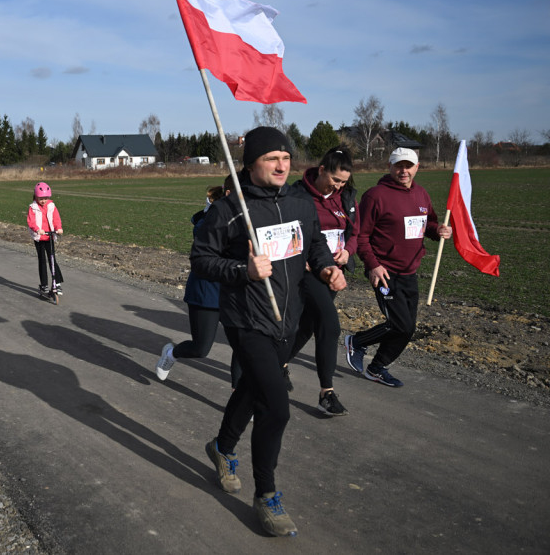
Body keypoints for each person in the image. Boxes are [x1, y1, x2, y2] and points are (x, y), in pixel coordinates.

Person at [192, 127, 345, 538]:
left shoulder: (300, 202)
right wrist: (243, 271)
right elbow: (201, 260)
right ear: (251, 163)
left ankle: (222, 448)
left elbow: (312, 245)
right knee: (276, 405)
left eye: (286, 157)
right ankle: (267, 495)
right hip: (246, 319)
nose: (282, 165)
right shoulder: (228, 210)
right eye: (272, 158)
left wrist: (327, 266)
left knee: (256, 389)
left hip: (287, 319)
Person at [345, 147, 452, 388]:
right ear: (390, 167)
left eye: (408, 165)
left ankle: (377, 368)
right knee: (399, 324)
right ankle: (358, 341)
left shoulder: (422, 195)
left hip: (409, 272)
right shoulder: (376, 195)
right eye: (398, 165)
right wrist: (372, 265)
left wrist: (439, 230)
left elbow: (429, 223)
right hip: (384, 272)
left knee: (407, 328)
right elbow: (361, 236)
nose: (403, 170)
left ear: (417, 167)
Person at [284, 146, 358, 416]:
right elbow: (289, 230)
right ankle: (326, 393)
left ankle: (276, 365)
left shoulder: (346, 197)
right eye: (335, 180)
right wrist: (300, 256)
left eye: (343, 182)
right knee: (329, 322)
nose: (338, 186)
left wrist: (348, 250)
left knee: (308, 324)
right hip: (306, 271)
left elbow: (355, 231)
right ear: (322, 170)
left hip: (333, 270)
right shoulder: (297, 194)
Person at [156, 177, 240, 387]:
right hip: (207, 292)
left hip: (237, 292)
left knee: (244, 347)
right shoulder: (209, 220)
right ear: (230, 195)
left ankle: (241, 398)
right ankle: (172, 353)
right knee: (201, 348)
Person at [27, 182, 65, 297]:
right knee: (42, 260)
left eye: (45, 198)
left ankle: (57, 283)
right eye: (40, 198)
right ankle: (44, 284)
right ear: (36, 197)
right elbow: (31, 221)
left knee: (52, 259)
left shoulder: (51, 206)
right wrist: (37, 229)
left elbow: (56, 219)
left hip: (49, 236)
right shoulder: (33, 207)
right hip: (39, 237)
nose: (43, 201)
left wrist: (59, 228)